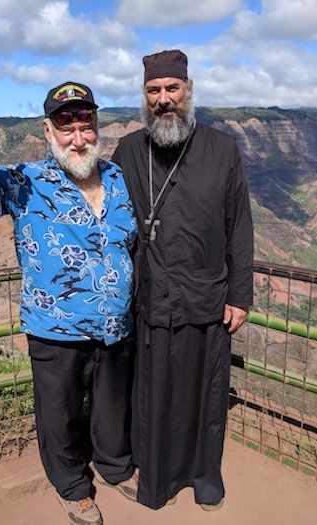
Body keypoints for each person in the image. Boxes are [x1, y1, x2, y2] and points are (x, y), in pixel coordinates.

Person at [0, 78, 138, 525]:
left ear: (96, 126)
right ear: (48, 131)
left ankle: (114, 465)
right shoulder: (25, 181)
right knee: (61, 415)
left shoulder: (119, 178)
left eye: (85, 123)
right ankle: (72, 487)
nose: (77, 135)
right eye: (65, 125)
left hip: (117, 326)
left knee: (113, 408)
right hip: (55, 330)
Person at [111, 49, 254, 511]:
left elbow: (240, 228)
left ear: (188, 91)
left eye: (172, 89)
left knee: (206, 396)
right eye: (154, 91)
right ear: (144, 97)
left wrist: (240, 295)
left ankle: (204, 477)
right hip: (150, 299)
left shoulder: (223, 149)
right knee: (152, 397)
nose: (163, 99)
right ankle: (156, 481)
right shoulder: (128, 150)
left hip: (206, 297)